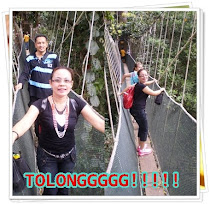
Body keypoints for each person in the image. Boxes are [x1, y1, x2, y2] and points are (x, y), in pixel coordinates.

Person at [12, 67, 105, 195]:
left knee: (64, 190)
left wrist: (112, 130)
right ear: (50, 83)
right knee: (50, 191)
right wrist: (12, 136)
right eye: (57, 80)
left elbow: (99, 122)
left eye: (66, 81)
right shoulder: (41, 104)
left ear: (71, 84)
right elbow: (25, 122)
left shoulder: (76, 104)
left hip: (69, 157)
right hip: (46, 158)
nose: (62, 84)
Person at [120, 69, 164, 156]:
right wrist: (161, 90)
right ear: (138, 77)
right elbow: (154, 93)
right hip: (139, 111)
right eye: (142, 76)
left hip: (135, 109)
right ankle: (142, 150)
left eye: (146, 75)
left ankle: (140, 146)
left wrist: (152, 81)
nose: (145, 77)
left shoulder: (138, 84)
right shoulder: (142, 87)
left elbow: (140, 85)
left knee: (141, 127)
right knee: (144, 129)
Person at [15, 34, 60, 106]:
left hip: (49, 94)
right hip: (34, 93)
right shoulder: (30, 58)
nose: (41, 45)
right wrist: (20, 83)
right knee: (34, 115)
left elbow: (59, 73)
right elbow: (25, 73)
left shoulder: (53, 57)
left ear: (46, 44)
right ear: (35, 45)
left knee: (47, 116)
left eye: (43, 43)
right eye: (39, 43)